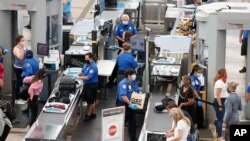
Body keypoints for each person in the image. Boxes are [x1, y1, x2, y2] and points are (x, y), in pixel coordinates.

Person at [116, 69, 141, 141]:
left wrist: (140, 94)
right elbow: (123, 96)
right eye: (133, 74)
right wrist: (130, 104)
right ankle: (118, 138)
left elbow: (137, 90)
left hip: (132, 103)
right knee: (122, 121)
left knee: (133, 122)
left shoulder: (133, 82)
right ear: (129, 75)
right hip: (124, 104)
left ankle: (133, 138)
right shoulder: (123, 83)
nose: (134, 76)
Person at [76, 53, 98, 122]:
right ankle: (93, 113)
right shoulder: (86, 64)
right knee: (90, 100)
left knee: (91, 101)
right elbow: (82, 71)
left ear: (91, 58)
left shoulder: (93, 66)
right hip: (87, 85)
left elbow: (88, 77)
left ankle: (88, 115)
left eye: (86, 58)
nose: (85, 60)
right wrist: (79, 74)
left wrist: (78, 77)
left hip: (92, 85)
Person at [213, 68, 228, 141]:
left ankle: (218, 133)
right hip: (219, 101)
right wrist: (220, 105)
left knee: (220, 119)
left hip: (222, 101)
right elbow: (217, 95)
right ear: (223, 74)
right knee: (220, 120)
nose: (227, 74)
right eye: (225, 73)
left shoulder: (223, 81)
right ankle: (219, 136)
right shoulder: (219, 82)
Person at [13, 35, 27, 105]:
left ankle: (21, 97)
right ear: (18, 42)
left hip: (24, 68)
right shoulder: (16, 49)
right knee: (19, 83)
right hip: (18, 68)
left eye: (24, 40)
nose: (24, 42)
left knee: (23, 83)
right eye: (22, 41)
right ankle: (17, 99)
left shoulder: (24, 48)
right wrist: (22, 50)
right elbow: (21, 58)